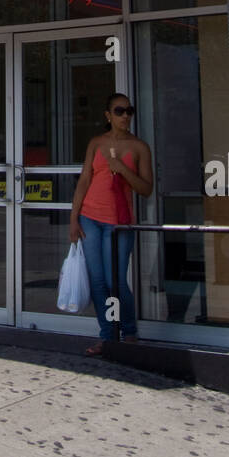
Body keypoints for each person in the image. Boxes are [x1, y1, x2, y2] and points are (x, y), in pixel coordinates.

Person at [69, 93, 153, 353]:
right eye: (119, 111)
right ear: (108, 115)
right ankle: (107, 336)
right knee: (98, 281)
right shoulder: (96, 143)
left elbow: (146, 188)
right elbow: (85, 179)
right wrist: (74, 218)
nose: (125, 115)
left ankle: (128, 332)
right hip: (90, 217)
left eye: (130, 110)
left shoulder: (139, 147)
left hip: (119, 223)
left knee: (115, 280)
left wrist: (122, 168)